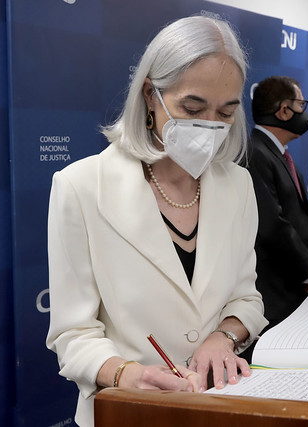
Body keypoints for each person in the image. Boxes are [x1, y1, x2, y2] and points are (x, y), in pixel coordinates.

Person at [45, 16, 268, 426]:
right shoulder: (81, 185)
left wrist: (224, 337)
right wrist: (126, 374)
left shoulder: (238, 185)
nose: (210, 126)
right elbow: (72, 334)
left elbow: (246, 298)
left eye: (226, 111)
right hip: (126, 413)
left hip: (216, 407)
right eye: (192, 107)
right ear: (151, 94)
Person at [243, 76, 308, 345]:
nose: (304, 111)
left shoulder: (280, 153)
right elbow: (271, 224)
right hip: (275, 292)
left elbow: (302, 215)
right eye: (300, 104)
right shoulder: (255, 153)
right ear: (284, 110)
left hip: (297, 287)